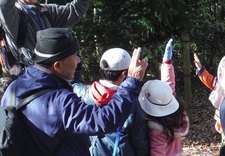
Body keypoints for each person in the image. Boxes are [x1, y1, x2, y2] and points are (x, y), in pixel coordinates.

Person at [0, 27, 148, 156]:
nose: (78, 61)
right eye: (75, 56)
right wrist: (131, 82)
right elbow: (104, 120)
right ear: (57, 66)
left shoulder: (15, 87)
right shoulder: (59, 101)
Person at [0, 0, 93, 76]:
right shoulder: (12, 15)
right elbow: (3, 3)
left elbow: (73, 11)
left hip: (51, 76)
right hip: (29, 78)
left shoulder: (44, 11)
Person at [72, 48, 149, 156]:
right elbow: (140, 141)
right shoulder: (131, 103)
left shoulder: (82, 93)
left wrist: (75, 57)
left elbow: (72, 83)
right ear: (124, 74)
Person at [138, 39, 189, 156]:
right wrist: (167, 63)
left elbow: (158, 153)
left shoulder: (157, 130)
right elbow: (169, 86)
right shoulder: (176, 114)